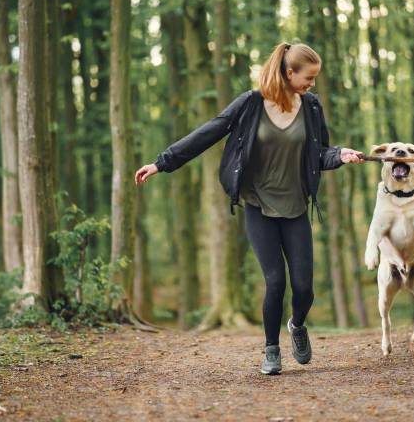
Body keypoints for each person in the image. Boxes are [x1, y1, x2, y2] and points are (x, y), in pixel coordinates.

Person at [135, 42, 365, 375]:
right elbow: (208, 132)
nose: (312, 84)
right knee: (275, 282)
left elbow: (320, 153)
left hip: (295, 206)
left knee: (304, 288)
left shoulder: (311, 107)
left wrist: (340, 155)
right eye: (308, 77)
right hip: (259, 205)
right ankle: (271, 351)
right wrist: (162, 163)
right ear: (289, 73)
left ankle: (297, 325)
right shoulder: (251, 103)